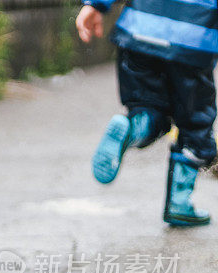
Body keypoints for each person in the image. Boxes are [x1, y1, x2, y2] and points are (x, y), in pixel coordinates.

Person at [77, 0, 218, 226]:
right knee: (196, 126)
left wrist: (95, 5)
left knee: (148, 108)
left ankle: (132, 128)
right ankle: (179, 202)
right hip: (192, 40)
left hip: (137, 32)